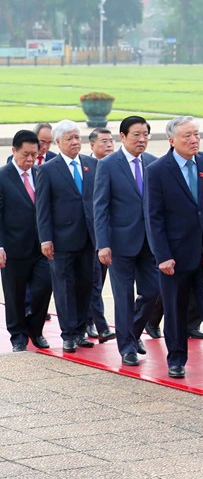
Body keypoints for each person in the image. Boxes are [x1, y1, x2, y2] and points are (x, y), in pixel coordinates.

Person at [145, 117, 203, 377]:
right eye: (187, 136)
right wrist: (162, 255)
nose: (194, 140)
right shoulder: (158, 170)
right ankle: (176, 359)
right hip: (174, 254)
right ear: (172, 140)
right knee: (175, 308)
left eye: (196, 134)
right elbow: (154, 217)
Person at [93, 117, 161, 366]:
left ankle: (131, 332)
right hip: (120, 243)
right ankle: (127, 348)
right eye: (136, 135)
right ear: (122, 137)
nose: (142, 139)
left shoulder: (153, 163)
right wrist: (103, 243)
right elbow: (100, 206)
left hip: (149, 243)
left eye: (145, 134)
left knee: (152, 291)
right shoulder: (109, 165)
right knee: (123, 296)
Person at [35, 120, 98, 352]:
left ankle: (81, 330)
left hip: (88, 238)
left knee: (85, 285)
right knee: (64, 287)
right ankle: (68, 333)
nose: (75, 142)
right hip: (61, 240)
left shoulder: (92, 164)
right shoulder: (47, 169)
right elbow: (42, 208)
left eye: (77, 137)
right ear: (58, 142)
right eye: (69, 138)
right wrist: (45, 238)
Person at [0, 130, 52, 351]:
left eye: (34, 154)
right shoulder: (2, 176)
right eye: (25, 154)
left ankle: (35, 329)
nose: (30, 159)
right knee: (15, 294)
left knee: (44, 288)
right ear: (13, 151)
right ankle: (18, 335)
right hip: (13, 247)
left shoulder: (41, 173)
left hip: (41, 246)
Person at [86, 128, 115, 343]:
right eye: (103, 141)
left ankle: (89, 319)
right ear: (92, 145)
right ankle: (101, 326)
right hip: (91, 236)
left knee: (99, 281)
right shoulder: (88, 167)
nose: (108, 145)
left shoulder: (116, 165)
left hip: (113, 236)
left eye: (111, 140)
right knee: (94, 282)